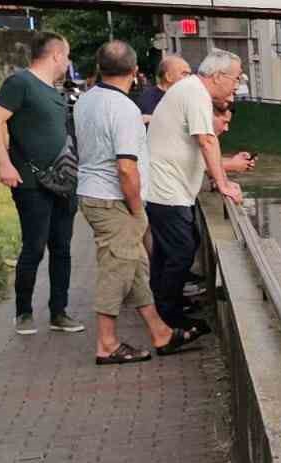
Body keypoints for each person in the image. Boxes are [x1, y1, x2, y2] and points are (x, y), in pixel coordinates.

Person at [75, 40, 198, 364]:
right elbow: (126, 169)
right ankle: (107, 344)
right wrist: (137, 209)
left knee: (136, 267)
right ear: (135, 72)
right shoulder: (125, 110)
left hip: (92, 194)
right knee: (116, 270)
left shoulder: (86, 101)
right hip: (114, 200)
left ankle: (161, 332)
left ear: (100, 69)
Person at [145, 49, 244, 339]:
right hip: (167, 190)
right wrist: (223, 183)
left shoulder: (188, 90)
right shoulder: (195, 93)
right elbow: (206, 141)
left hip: (169, 188)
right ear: (217, 76)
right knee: (180, 251)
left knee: (171, 252)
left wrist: (219, 177)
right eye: (236, 78)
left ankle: (170, 311)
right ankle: (170, 319)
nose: (237, 85)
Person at [0, 31, 84, 336]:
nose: (68, 62)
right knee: (34, 246)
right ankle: (24, 312)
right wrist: (4, 163)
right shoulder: (20, 83)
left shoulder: (55, 91)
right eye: (67, 56)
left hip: (63, 181)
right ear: (57, 55)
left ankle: (59, 311)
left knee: (63, 248)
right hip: (31, 182)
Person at [137, 54, 190, 125]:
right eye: (184, 74)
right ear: (168, 77)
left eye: (189, 74)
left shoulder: (188, 97)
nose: (189, 78)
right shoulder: (148, 99)